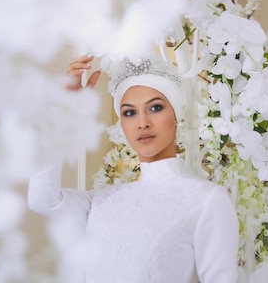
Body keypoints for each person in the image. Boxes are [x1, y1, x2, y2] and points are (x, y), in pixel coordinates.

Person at [28, 54, 239, 283]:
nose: (142, 122)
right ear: (122, 124)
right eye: (130, 112)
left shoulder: (206, 200)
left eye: (155, 108)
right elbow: (41, 199)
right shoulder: (102, 199)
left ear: (176, 115)